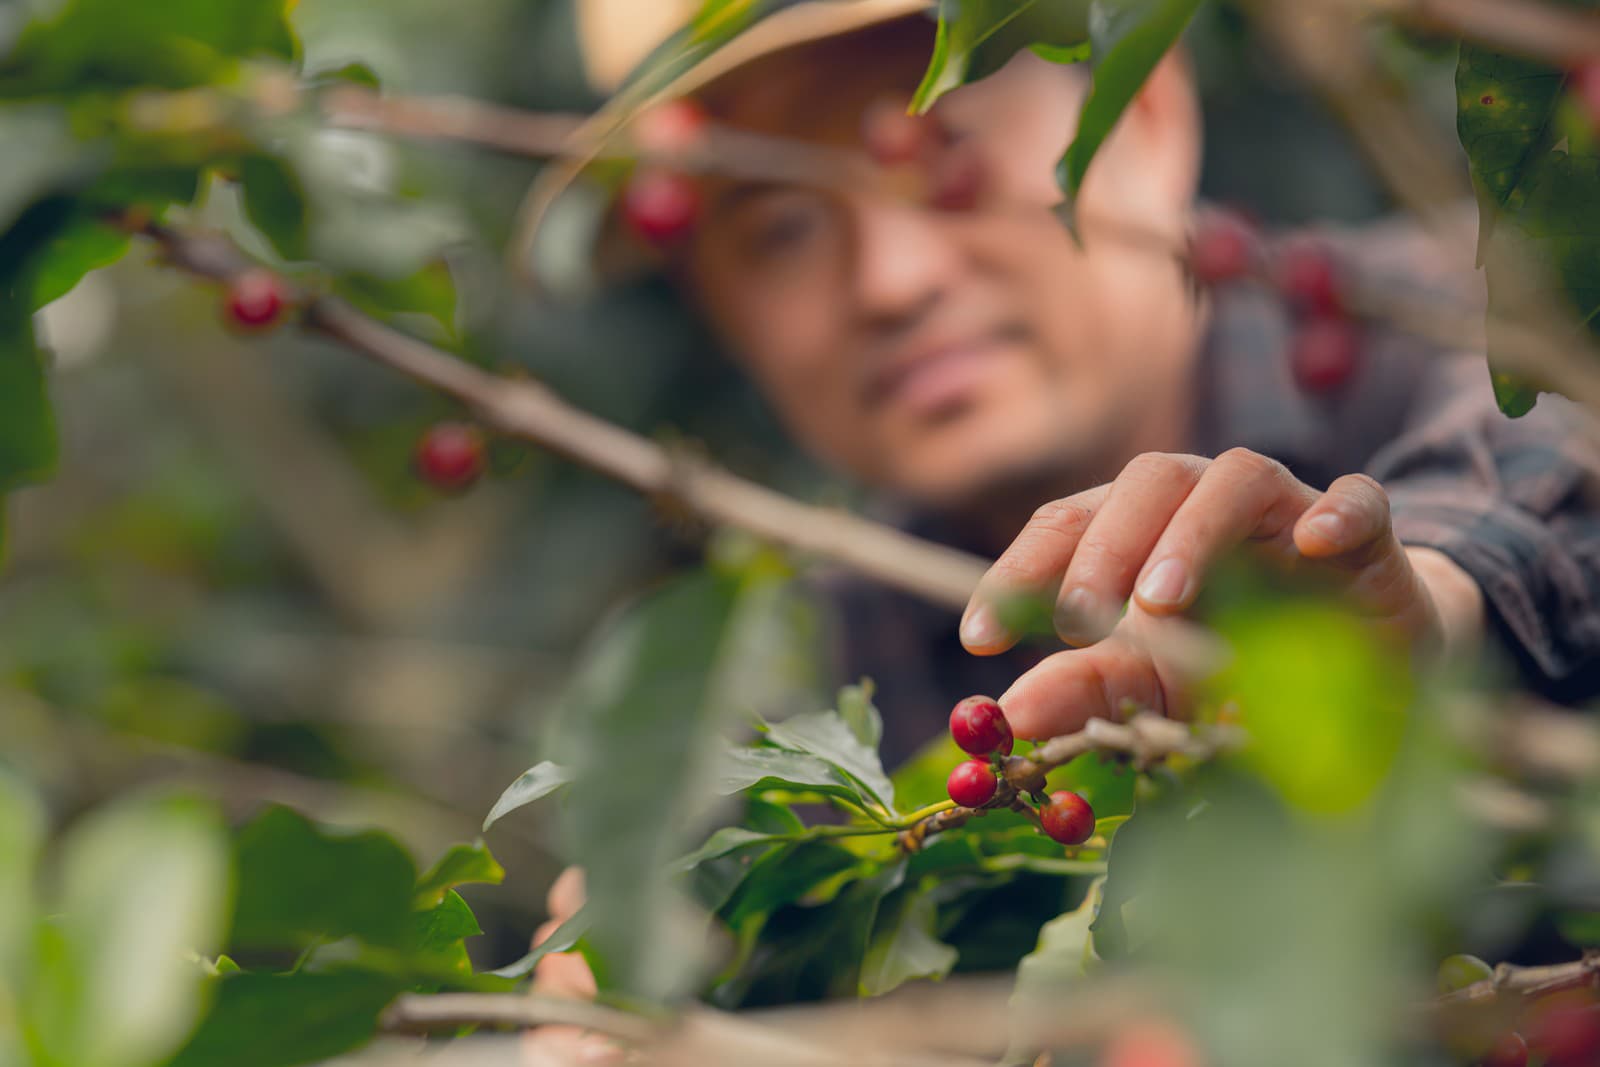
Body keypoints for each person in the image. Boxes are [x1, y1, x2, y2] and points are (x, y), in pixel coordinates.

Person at [516, 0, 1600, 1041]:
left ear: (1143, 118)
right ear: (712, 299)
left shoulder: (1498, 315)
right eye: (784, 226)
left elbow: (1552, 447)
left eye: (939, 161)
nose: (890, 280)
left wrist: (1433, 597)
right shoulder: (825, 663)